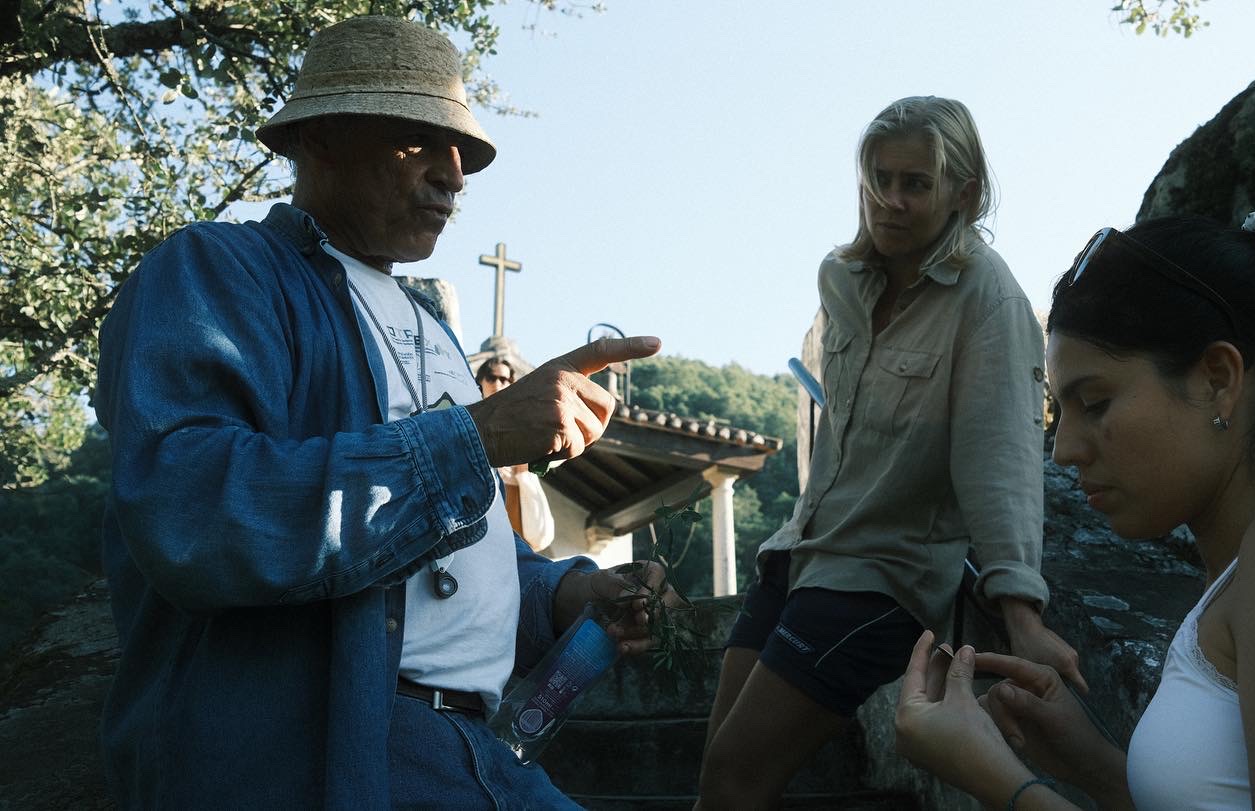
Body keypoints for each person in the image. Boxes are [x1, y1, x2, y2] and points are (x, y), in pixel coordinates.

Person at [94, 16, 667, 809]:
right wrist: (481, 432)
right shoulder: (218, 271)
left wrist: (565, 595)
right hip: (328, 752)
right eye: (418, 140)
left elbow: (462, 566)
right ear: (322, 137)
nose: (454, 176)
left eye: (463, 154)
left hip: (483, 749)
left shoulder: (432, 328)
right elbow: (191, 508)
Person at [894, 208, 1255, 809]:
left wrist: (1003, 783)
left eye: (1095, 402)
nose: (1066, 449)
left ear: (1217, 379)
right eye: (1059, 412)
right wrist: (1101, 769)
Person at [696, 96, 1083, 808]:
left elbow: (1000, 459)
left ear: (963, 194)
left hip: (882, 576)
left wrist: (1022, 612)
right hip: (800, 555)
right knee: (719, 773)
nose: (891, 200)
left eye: (915, 183)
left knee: (735, 777)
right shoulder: (845, 281)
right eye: (879, 180)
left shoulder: (987, 299)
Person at [477, 357, 557, 553]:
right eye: (491, 377)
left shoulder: (523, 420)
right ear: (480, 381)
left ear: (511, 383)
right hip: (480, 496)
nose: (497, 383)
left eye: (503, 379)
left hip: (514, 498)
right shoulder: (469, 416)